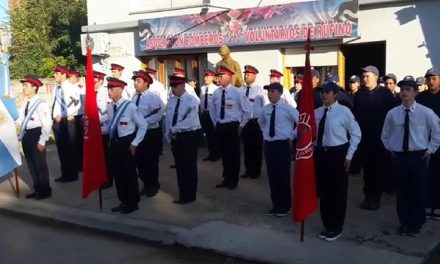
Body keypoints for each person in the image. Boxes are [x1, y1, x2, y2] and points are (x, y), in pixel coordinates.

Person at [381, 75, 440, 236]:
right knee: (402, 192)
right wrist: (391, 148)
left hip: (419, 157)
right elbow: (385, 134)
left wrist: (430, 150)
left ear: (415, 93)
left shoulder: (426, 113)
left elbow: (437, 133)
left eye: (408, 89)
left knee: (418, 191)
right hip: (400, 158)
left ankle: (416, 223)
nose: (404, 92)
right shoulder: (393, 114)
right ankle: (404, 222)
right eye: (402, 90)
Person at [314, 82, 361, 242]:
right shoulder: (316, 112)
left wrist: (349, 156)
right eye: (322, 92)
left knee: (337, 193)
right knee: (324, 191)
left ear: (335, 94)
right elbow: (307, 131)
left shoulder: (344, 112)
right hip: (321, 154)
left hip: (337, 154)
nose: (323, 95)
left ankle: (336, 227)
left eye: (327, 92)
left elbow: (356, 134)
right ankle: (327, 225)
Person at [353, 65, 395, 210]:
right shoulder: (360, 94)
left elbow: (392, 116)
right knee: (367, 169)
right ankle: (368, 194)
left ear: (376, 78)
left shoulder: (385, 94)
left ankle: (376, 196)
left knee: (379, 168)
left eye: (367, 76)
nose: (364, 79)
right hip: (364, 139)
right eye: (363, 76)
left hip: (380, 139)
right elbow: (355, 115)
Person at [107, 77, 147, 214]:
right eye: (108, 88)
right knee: (118, 174)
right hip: (115, 142)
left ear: (119, 90)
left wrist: (135, 143)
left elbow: (143, 125)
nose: (109, 91)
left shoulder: (130, 106)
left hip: (127, 142)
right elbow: (111, 125)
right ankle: (123, 200)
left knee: (129, 173)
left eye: (111, 89)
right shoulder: (110, 106)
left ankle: (132, 202)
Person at [259, 82, 298, 217]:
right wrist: (266, 134)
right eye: (269, 91)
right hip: (270, 145)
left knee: (283, 176)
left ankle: (285, 206)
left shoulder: (287, 108)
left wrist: (292, 135)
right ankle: (275, 205)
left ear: (280, 93)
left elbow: (300, 121)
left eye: (273, 91)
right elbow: (262, 122)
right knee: (272, 176)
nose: (270, 94)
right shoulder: (266, 109)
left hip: (282, 145)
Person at [210, 66, 250, 189]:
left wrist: (242, 125)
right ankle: (226, 178)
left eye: (221, 76)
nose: (219, 78)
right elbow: (213, 110)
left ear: (229, 77)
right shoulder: (216, 92)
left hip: (233, 126)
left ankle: (233, 180)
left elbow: (248, 110)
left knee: (233, 155)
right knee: (224, 154)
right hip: (221, 126)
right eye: (218, 76)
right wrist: (216, 123)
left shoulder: (237, 92)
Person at [166, 75, 201, 204]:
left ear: (182, 86)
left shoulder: (191, 101)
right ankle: (183, 194)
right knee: (180, 167)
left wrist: (174, 129)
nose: (173, 90)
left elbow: (190, 121)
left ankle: (190, 195)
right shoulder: (172, 100)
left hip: (188, 136)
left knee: (189, 167)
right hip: (175, 137)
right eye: (171, 87)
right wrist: (168, 134)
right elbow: (169, 119)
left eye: (175, 87)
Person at [17, 76, 52, 200]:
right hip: (27, 135)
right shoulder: (26, 103)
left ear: (34, 87)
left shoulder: (40, 103)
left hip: (37, 134)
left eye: (26, 85)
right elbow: (21, 119)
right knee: (31, 164)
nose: (23, 87)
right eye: (23, 85)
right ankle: (37, 188)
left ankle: (45, 190)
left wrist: (42, 140)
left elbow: (47, 123)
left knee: (40, 165)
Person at [132, 70, 165, 198]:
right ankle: (146, 184)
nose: (135, 83)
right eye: (135, 81)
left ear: (146, 83)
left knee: (150, 161)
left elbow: (159, 112)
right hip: (137, 132)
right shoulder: (134, 96)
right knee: (139, 162)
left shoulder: (153, 97)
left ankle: (153, 185)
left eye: (138, 81)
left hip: (150, 132)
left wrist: (143, 122)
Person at [417, 68, 440, 220]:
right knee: (427, 175)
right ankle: (427, 204)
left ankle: (438, 206)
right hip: (425, 142)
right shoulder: (421, 98)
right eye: (428, 78)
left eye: (434, 78)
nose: (431, 81)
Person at [51, 65, 79, 183]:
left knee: (69, 148)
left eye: (57, 73)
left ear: (63, 75)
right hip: (58, 122)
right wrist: (55, 115)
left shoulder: (70, 87)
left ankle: (72, 174)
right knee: (61, 149)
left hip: (68, 121)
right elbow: (56, 103)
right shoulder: (57, 88)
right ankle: (65, 173)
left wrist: (61, 115)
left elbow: (75, 104)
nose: (54, 75)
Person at [240, 65, 267, 179]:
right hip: (244, 122)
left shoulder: (260, 90)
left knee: (256, 148)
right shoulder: (240, 89)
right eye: (245, 74)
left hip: (256, 122)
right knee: (247, 148)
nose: (246, 76)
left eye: (249, 74)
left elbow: (265, 106)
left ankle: (256, 171)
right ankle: (248, 169)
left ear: (255, 76)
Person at [93, 70, 113, 189]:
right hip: (96, 130)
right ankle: (100, 177)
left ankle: (108, 179)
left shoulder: (105, 93)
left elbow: (110, 112)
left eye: (95, 82)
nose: (93, 84)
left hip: (105, 129)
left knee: (107, 157)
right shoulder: (91, 93)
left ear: (101, 81)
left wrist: (97, 121)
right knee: (98, 156)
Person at [199, 69, 220, 161]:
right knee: (207, 135)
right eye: (205, 76)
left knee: (214, 135)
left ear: (212, 78)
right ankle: (210, 153)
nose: (205, 78)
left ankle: (216, 154)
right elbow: (201, 101)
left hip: (212, 113)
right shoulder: (202, 88)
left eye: (207, 76)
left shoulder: (216, 89)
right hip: (204, 113)